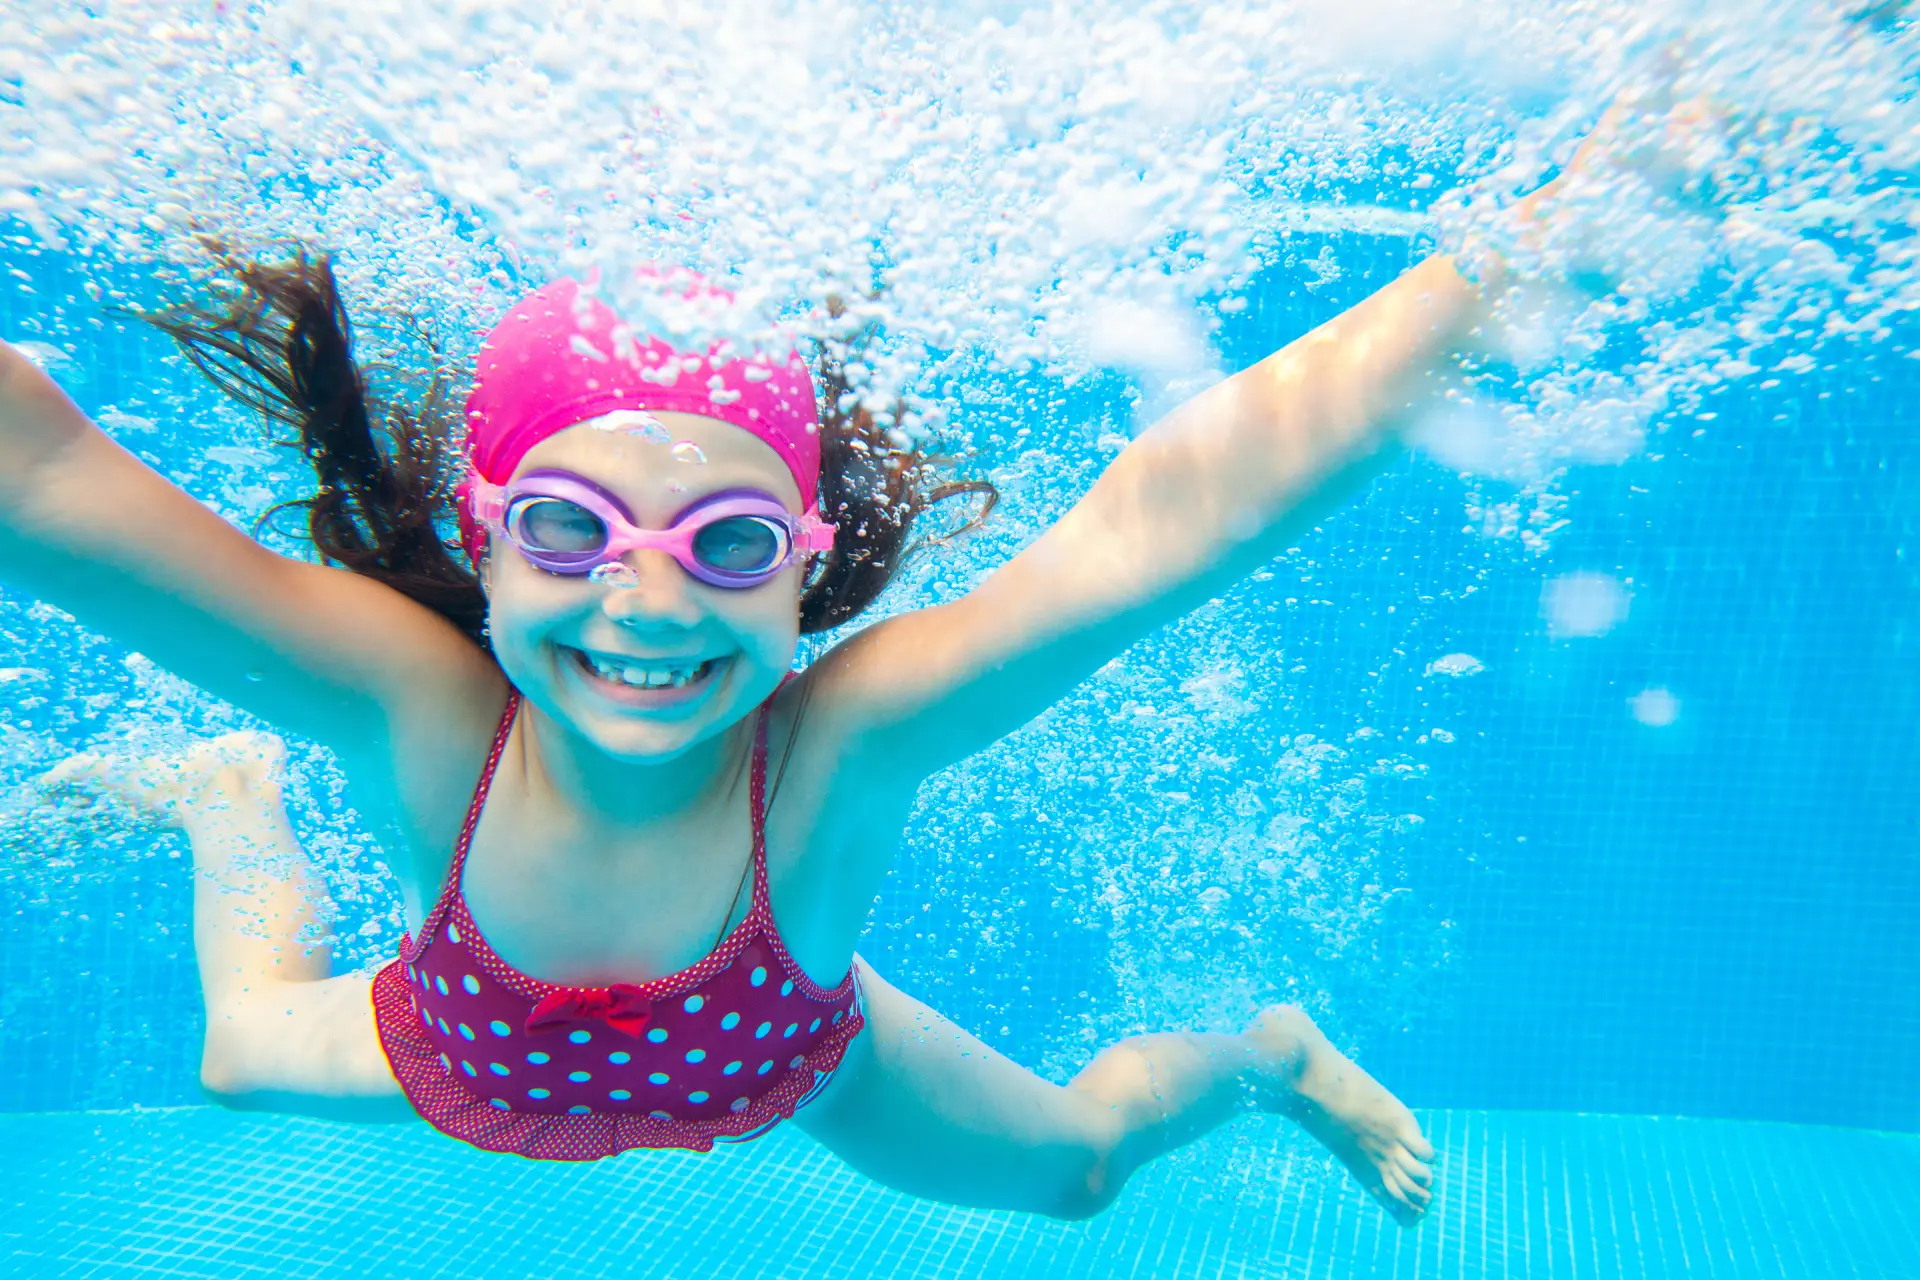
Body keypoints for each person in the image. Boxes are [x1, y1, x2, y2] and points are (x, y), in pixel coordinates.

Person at [1, 204, 1527, 1221]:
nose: (649, 603)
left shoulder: (836, 748)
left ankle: (1271, 1059)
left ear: (804, 566)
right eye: (568, 529)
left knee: (1077, 1173)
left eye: (727, 543)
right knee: (231, 1048)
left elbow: (1152, 532)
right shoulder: (417, 707)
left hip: (790, 1055)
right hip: (455, 1051)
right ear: (483, 537)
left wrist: (1523, 262)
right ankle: (225, 793)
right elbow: (50, 483)